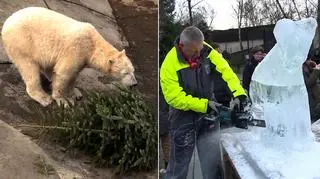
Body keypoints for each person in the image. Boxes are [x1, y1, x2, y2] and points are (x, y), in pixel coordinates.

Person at [160, 26, 247, 179]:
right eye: (194, 51)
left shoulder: (206, 51)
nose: (198, 54)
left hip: (208, 114)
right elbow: (174, 98)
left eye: (200, 50)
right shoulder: (169, 64)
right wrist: (204, 105)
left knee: (212, 165)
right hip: (183, 119)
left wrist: (238, 93)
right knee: (178, 168)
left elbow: (225, 70)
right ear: (182, 46)